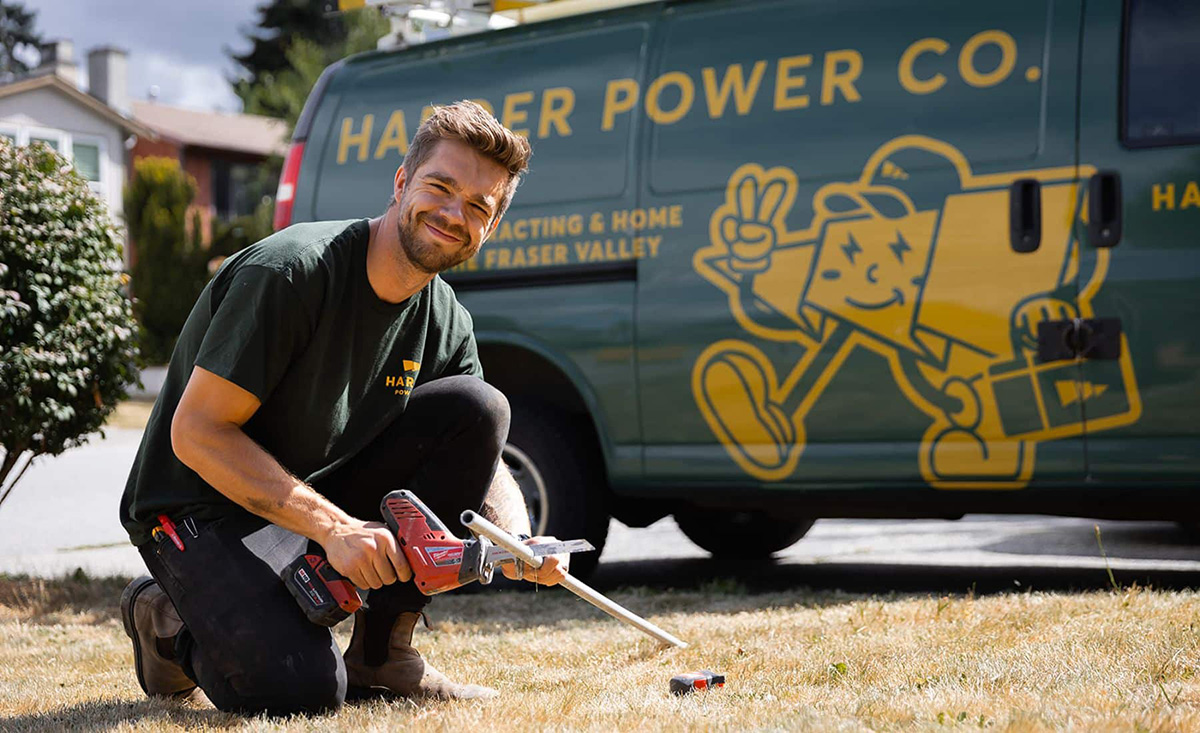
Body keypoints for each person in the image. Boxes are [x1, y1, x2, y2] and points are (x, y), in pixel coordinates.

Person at [117, 101, 567, 716]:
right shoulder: (293, 274)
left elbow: (477, 456)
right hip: (197, 508)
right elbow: (196, 434)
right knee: (296, 691)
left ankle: (382, 655)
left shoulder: (446, 320)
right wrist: (335, 529)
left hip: (312, 494)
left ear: (489, 228)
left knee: (478, 407)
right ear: (402, 182)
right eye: (441, 187)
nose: (453, 213)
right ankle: (166, 621)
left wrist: (516, 540)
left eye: (478, 207)